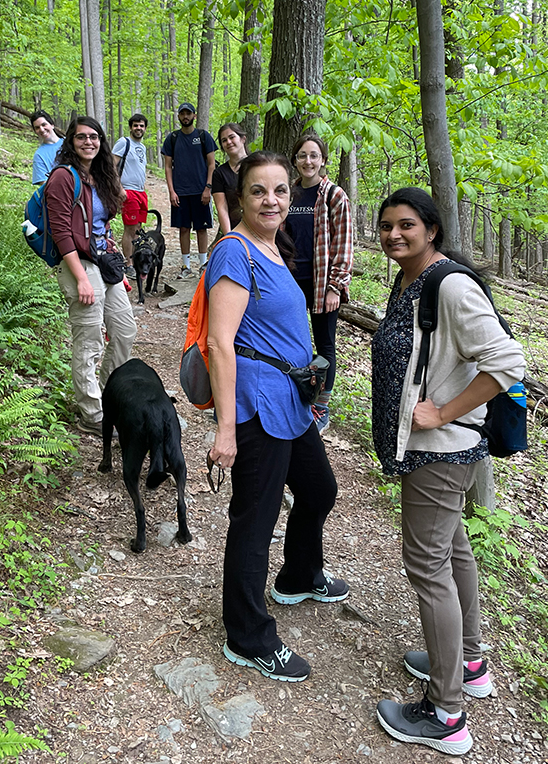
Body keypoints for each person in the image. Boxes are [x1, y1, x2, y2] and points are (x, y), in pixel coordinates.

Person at [371, 187, 525, 756]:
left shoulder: (450, 284)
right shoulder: (409, 279)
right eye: (386, 226)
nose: (393, 235)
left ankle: (447, 713)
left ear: (431, 229)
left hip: (441, 449)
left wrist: (441, 412)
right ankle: (470, 659)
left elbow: (507, 362)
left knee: (426, 564)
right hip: (431, 449)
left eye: (406, 225)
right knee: (453, 548)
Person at [206, 150, 349, 683]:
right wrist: (225, 430)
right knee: (255, 517)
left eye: (281, 191)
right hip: (256, 405)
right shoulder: (234, 253)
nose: (272, 200)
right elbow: (220, 344)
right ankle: (248, 636)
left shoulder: (273, 248)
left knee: (318, 490)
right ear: (239, 197)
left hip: (290, 400)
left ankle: (298, 575)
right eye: (259, 191)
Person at [45, 117, 137, 437]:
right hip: (78, 264)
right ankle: (91, 411)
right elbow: (60, 231)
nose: (89, 142)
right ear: (70, 141)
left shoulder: (99, 174)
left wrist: (116, 266)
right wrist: (82, 279)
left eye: (94, 137)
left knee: (124, 331)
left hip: (103, 261)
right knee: (90, 339)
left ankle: (106, 392)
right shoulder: (62, 177)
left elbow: (103, 225)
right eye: (81, 137)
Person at [286, 133, 353, 434]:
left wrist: (335, 286)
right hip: (290, 281)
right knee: (295, 340)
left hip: (322, 283)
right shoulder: (289, 193)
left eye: (314, 155)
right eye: (302, 155)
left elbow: (344, 243)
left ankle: (321, 406)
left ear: (323, 160)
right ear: (295, 160)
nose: (308, 161)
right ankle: (298, 395)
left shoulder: (333, 195)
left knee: (324, 345)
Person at [162, 103, 217, 279]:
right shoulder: (172, 138)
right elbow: (168, 167)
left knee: (202, 229)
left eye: (188, 113)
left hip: (201, 191)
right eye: (182, 113)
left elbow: (211, 164)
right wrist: (171, 191)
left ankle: (202, 266)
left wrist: (208, 187)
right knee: (183, 228)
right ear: (178, 117)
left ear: (194, 115)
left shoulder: (203, 136)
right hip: (180, 192)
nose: (185, 116)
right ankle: (185, 267)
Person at [112, 113, 149, 279]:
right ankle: (128, 264)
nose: (138, 128)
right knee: (130, 228)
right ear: (130, 127)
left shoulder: (143, 147)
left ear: (145, 128)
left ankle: (135, 260)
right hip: (128, 191)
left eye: (141, 126)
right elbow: (112, 166)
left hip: (141, 192)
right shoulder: (123, 142)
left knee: (138, 228)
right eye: (135, 125)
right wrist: (119, 189)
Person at [211, 122, 248, 235]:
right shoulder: (219, 173)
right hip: (235, 230)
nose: (229, 142)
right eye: (224, 140)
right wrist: (229, 236)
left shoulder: (258, 165)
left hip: (260, 228)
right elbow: (222, 208)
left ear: (243, 139)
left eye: (232, 137)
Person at [30, 109, 64, 185]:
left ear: (52, 125)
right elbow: (45, 185)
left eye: (44, 124)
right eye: (37, 127)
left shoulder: (69, 143)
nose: (41, 129)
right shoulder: (39, 155)